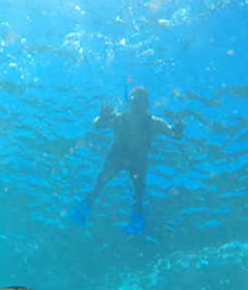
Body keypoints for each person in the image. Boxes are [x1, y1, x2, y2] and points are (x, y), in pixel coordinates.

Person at [70, 86, 184, 234]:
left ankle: (136, 216)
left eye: (141, 102)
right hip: (117, 156)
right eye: (134, 101)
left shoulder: (154, 122)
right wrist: (103, 117)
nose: (137, 106)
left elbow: (174, 135)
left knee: (138, 191)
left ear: (147, 105)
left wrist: (178, 130)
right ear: (129, 103)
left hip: (137, 160)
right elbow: (97, 125)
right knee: (100, 183)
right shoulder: (118, 118)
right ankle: (88, 204)